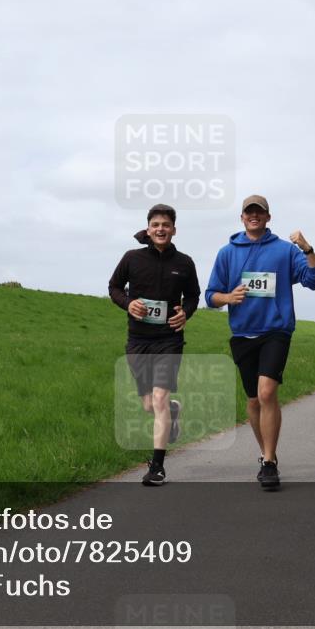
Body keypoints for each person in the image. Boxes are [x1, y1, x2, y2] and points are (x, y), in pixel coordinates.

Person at [205, 194, 315, 489]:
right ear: (242, 217)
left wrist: (307, 248)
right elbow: (210, 296)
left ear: (268, 217)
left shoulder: (285, 250)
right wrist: (228, 297)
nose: (254, 216)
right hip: (242, 333)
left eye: (259, 212)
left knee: (267, 392)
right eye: (249, 212)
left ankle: (270, 462)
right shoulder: (227, 253)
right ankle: (265, 453)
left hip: (276, 331)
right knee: (253, 400)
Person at [109, 204, 200, 486]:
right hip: (138, 340)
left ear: (174, 230)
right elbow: (114, 287)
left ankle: (157, 467)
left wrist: (186, 312)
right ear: (148, 229)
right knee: (150, 404)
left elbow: (193, 296)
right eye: (156, 224)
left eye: (166, 225)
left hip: (169, 339)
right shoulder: (132, 258)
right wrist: (128, 303)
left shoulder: (184, 263)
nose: (161, 229)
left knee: (158, 399)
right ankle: (173, 410)